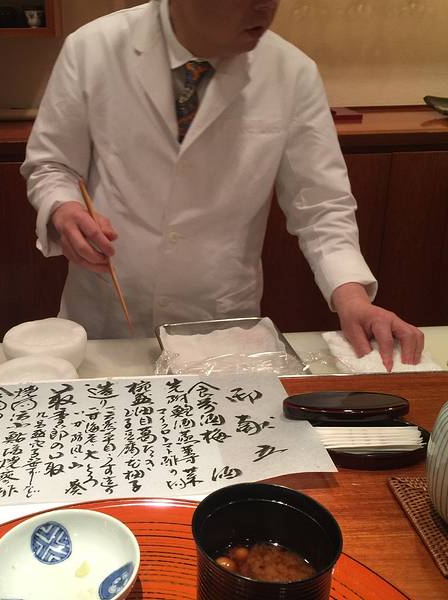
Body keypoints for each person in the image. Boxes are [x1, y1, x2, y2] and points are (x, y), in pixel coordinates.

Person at [21, 0, 423, 371]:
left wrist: (352, 298)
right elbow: (52, 164)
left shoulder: (291, 72)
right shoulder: (93, 49)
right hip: (107, 321)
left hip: (221, 330)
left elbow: (320, 205)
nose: (264, 6)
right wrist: (64, 209)